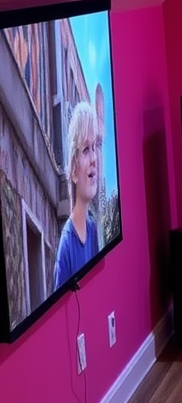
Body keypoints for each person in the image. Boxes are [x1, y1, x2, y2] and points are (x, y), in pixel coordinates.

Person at [53, 100, 101, 290]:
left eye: (96, 146)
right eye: (86, 149)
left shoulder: (93, 230)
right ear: (73, 171)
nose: (94, 159)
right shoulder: (66, 246)